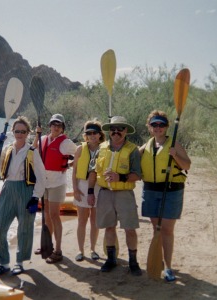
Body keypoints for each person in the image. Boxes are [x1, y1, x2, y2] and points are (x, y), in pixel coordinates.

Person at [0, 116, 46, 275]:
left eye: (22, 131)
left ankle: (20, 262)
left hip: (26, 190)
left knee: (25, 229)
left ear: (28, 133)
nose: (19, 134)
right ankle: (4, 262)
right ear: (12, 132)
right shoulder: (6, 149)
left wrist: (36, 197)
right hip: (8, 189)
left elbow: (42, 177)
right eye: (16, 131)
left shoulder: (32, 152)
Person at [139, 110, 191, 282]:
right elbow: (130, 160)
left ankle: (168, 267)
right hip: (151, 190)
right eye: (154, 124)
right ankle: (158, 261)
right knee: (156, 230)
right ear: (149, 127)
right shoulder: (145, 147)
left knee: (167, 230)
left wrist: (175, 156)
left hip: (171, 191)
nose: (158, 127)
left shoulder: (174, 143)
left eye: (161, 124)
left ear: (167, 127)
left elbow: (187, 165)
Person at [87, 116, 143, 276]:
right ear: (109, 131)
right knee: (109, 227)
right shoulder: (100, 148)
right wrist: (90, 192)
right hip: (104, 194)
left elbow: (137, 175)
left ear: (126, 131)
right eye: (113, 129)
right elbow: (92, 172)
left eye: (120, 129)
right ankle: (111, 259)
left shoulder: (133, 150)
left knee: (129, 229)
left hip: (124, 194)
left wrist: (121, 177)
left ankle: (133, 262)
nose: (116, 132)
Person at [33, 113, 77, 264]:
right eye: (53, 124)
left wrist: (69, 165)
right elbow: (33, 150)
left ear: (62, 128)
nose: (56, 127)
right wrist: (36, 134)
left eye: (59, 125)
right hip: (44, 183)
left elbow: (80, 153)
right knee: (46, 215)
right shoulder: (43, 139)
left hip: (57, 183)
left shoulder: (65, 143)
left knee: (54, 215)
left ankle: (58, 250)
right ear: (50, 126)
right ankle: (47, 245)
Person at [71, 120, 105, 262]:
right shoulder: (80, 149)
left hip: (97, 187)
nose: (92, 136)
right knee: (82, 221)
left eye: (95, 133)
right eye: (89, 133)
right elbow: (74, 171)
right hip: (82, 186)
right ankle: (80, 250)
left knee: (94, 221)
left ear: (99, 135)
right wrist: (75, 190)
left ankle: (93, 249)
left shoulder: (104, 149)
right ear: (85, 135)